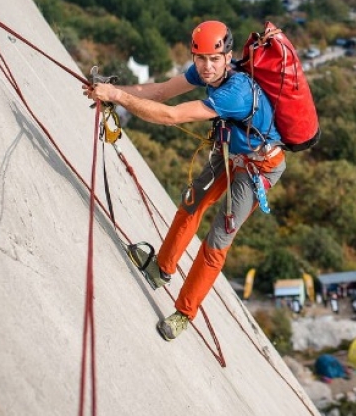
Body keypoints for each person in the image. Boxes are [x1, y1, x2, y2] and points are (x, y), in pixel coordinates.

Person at [84, 20, 286, 341]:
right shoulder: (205, 71)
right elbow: (162, 92)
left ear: (228, 57)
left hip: (257, 168)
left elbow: (171, 115)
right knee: (192, 203)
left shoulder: (236, 90)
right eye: (201, 58)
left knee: (217, 239)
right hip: (229, 150)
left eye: (214, 59)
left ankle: (184, 313)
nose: (206, 66)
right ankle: (161, 270)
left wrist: (116, 96)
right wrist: (115, 95)